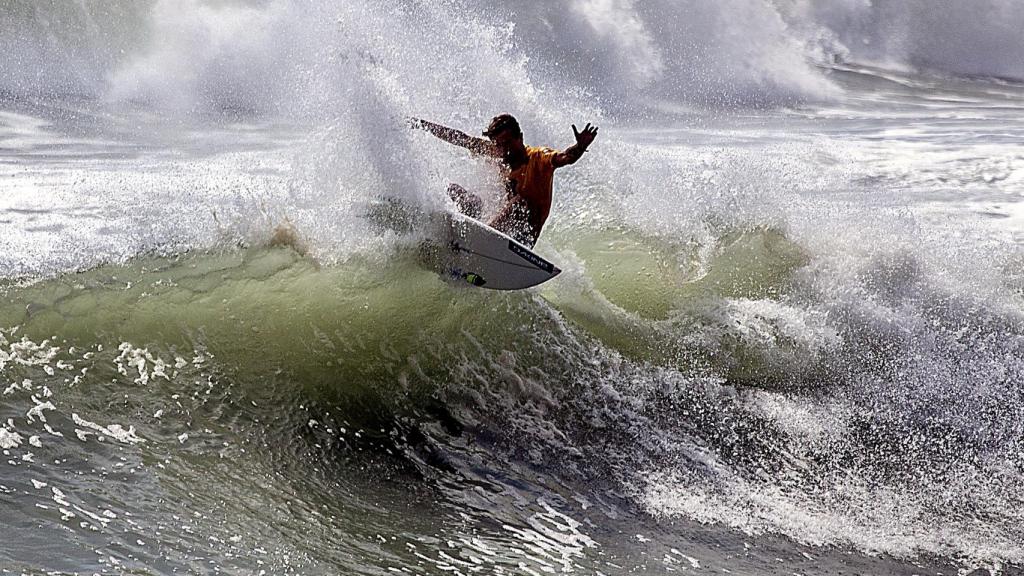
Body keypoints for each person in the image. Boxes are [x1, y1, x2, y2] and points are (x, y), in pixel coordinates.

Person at [408, 114, 597, 247]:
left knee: (519, 204)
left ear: (520, 138)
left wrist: (580, 147)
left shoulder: (539, 157)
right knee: (456, 192)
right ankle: (443, 234)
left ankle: (477, 242)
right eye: (498, 145)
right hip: (498, 231)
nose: (503, 150)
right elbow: (461, 139)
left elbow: (565, 157)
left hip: (523, 239)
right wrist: (422, 124)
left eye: (507, 144)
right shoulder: (497, 153)